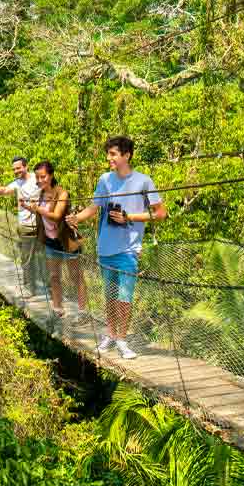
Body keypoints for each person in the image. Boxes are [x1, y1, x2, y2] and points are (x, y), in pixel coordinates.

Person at [69, 136, 167, 359]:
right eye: (108, 154)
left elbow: (160, 213)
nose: (109, 158)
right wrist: (76, 218)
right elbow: (94, 207)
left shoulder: (143, 181)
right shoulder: (105, 180)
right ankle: (110, 335)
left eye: (113, 154)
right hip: (106, 248)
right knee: (110, 296)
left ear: (127, 155)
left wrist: (129, 217)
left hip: (128, 250)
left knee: (124, 297)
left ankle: (122, 340)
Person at [24, 161, 87, 331]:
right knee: (53, 276)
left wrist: (37, 208)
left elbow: (56, 216)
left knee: (76, 277)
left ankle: (83, 312)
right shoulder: (40, 194)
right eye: (37, 177)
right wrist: (28, 207)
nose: (40, 180)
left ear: (50, 175)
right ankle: (58, 309)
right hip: (51, 241)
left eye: (43, 176)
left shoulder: (62, 193)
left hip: (66, 242)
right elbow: (41, 214)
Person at [0, 156, 46, 298]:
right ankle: (29, 288)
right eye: (14, 169)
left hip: (42, 224)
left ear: (26, 167)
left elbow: (49, 190)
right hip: (25, 225)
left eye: (18, 168)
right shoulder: (17, 183)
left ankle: (48, 288)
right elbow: (6, 190)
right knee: (26, 258)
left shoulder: (36, 179)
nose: (16, 171)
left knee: (45, 257)